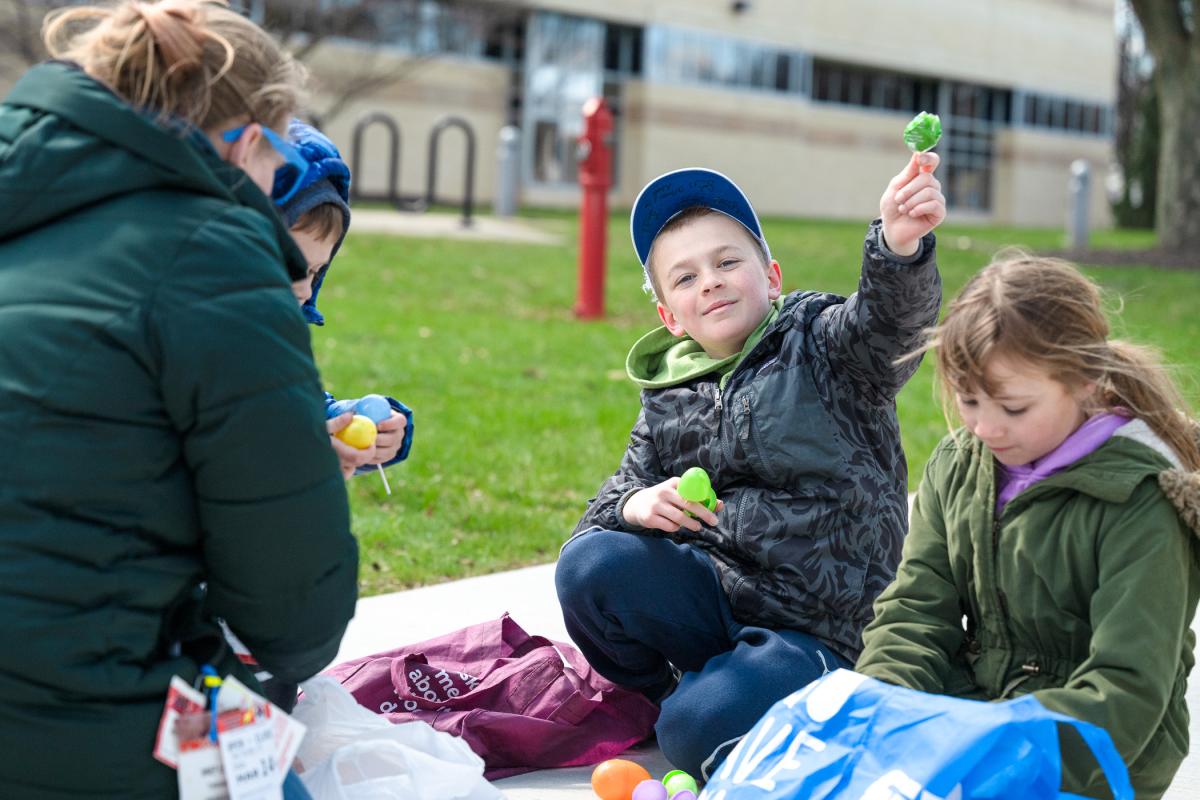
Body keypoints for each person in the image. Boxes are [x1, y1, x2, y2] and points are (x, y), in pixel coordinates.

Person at [0, 2, 358, 798]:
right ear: (245, 139)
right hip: (77, 720)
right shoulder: (215, 253)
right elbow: (293, 609)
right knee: (271, 767)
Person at [555, 154, 946, 778]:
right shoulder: (669, 392)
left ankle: (788, 695)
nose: (709, 281)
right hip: (721, 597)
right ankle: (685, 690)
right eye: (684, 279)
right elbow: (613, 498)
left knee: (689, 734)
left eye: (727, 261)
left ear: (772, 276)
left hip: (823, 624)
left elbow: (891, 325)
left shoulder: (825, 342)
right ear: (669, 317)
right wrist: (634, 505)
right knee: (589, 566)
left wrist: (898, 248)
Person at [855, 253, 1200, 799]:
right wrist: (874, 708)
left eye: (1014, 408)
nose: (986, 427)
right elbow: (917, 608)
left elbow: (1128, 690)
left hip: (1099, 753)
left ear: (1086, 381)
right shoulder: (958, 465)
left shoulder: (1140, 501)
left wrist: (988, 748)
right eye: (968, 401)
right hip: (982, 711)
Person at [277, 119, 414, 480]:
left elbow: (297, 406)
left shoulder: (273, 342)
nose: (305, 290)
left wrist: (350, 420)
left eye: (314, 273)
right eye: (294, 268)